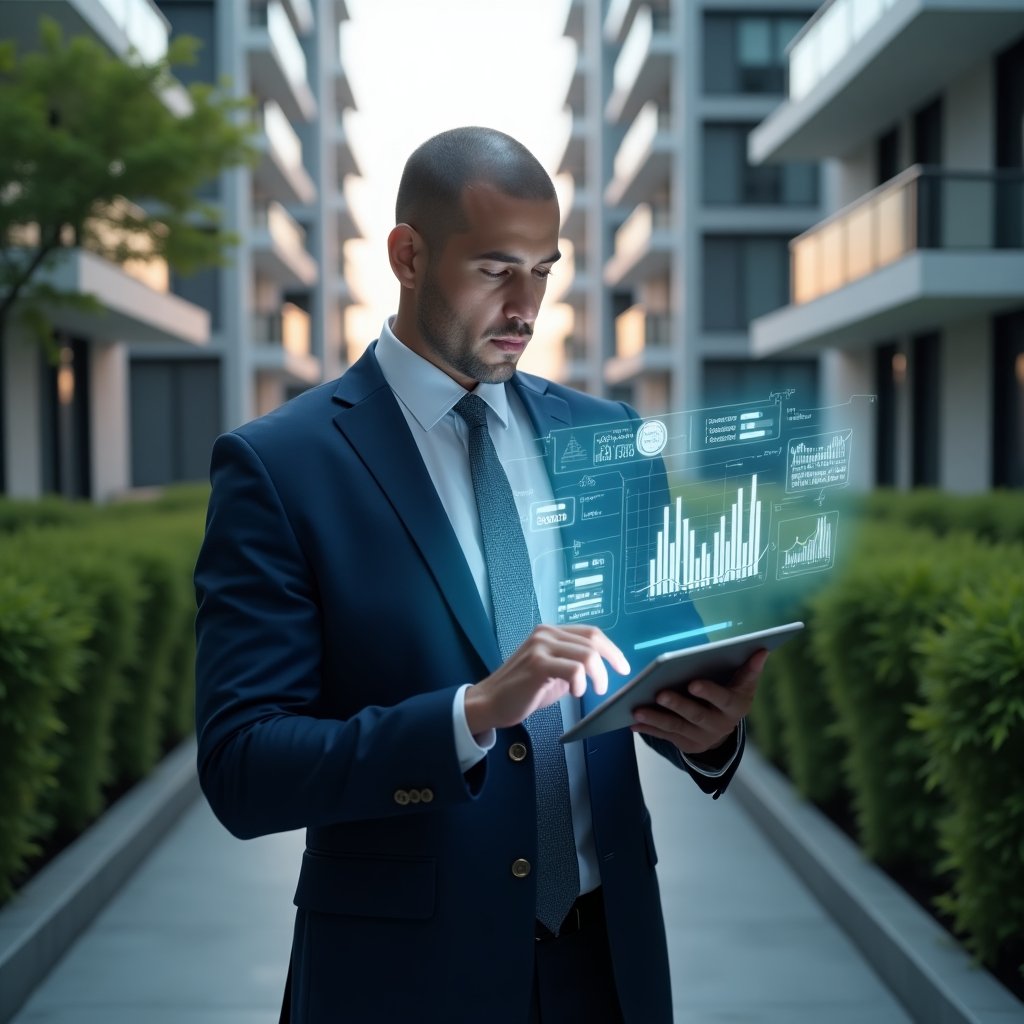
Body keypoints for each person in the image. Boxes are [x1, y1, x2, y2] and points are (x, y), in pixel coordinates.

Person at [194, 126, 766, 1024]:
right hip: (402, 979)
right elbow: (243, 767)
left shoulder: (606, 441)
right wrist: (469, 714)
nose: (527, 305)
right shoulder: (281, 466)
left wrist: (706, 731)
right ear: (407, 255)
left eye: (545, 269)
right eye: (497, 269)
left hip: (606, 966)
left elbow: (659, 665)